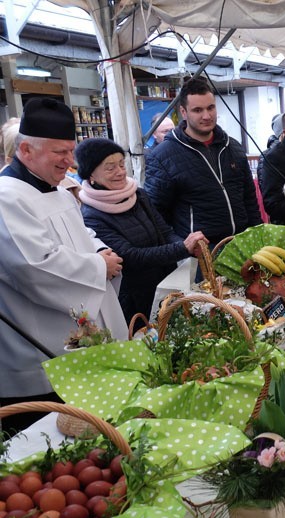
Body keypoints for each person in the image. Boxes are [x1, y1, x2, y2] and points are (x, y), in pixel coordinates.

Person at [0, 98, 127, 435]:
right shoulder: (6, 196)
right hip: (37, 352)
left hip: (76, 344)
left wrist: (101, 250)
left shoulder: (55, 190)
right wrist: (98, 267)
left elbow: (81, 233)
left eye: (71, 150)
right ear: (26, 150)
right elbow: (35, 266)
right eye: (60, 152)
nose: (70, 161)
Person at [76, 138, 208, 323]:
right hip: (134, 298)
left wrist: (186, 245)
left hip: (166, 283)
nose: (120, 172)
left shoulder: (138, 195)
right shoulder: (91, 214)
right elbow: (130, 256)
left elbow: (164, 231)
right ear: (91, 175)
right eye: (110, 167)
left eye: (121, 164)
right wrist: (182, 248)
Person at [144, 76, 262, 247]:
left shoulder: (233, 147)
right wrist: (181, 247)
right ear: (183, 112)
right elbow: (156, 215)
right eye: (198, 110)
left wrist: (257, 235)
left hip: (242, 245)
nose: (207, 116)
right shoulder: (163, 156)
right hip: (201, 253)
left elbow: (249, 199)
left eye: (211, 108)